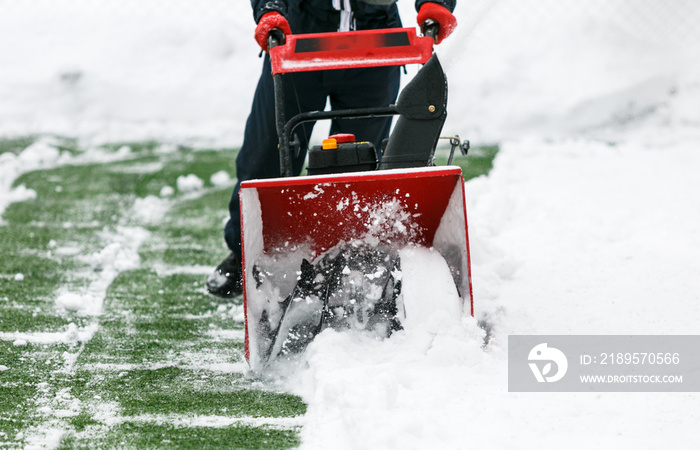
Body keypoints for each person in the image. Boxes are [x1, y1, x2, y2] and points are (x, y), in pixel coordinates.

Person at [206, 0, 457, 298]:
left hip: (375, 34)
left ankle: (348, 262)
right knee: (266, 155)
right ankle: (244, 254)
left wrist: (436, 4)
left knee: (361, 163)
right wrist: (270, 10)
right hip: (299, 32)